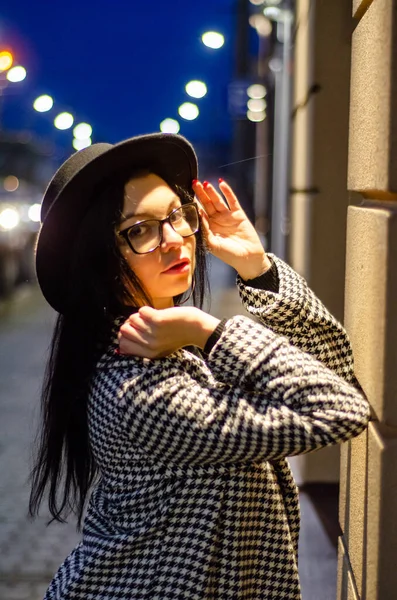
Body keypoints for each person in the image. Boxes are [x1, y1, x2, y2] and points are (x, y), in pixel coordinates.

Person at [29, 133, 370, 600]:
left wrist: (258, 271)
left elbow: (335, 366)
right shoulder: (139, 392)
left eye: (175, 215)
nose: (174, 240)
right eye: (140, 230)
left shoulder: (172, 350)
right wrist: (211, 330)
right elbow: (338, 409)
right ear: (97, 256)